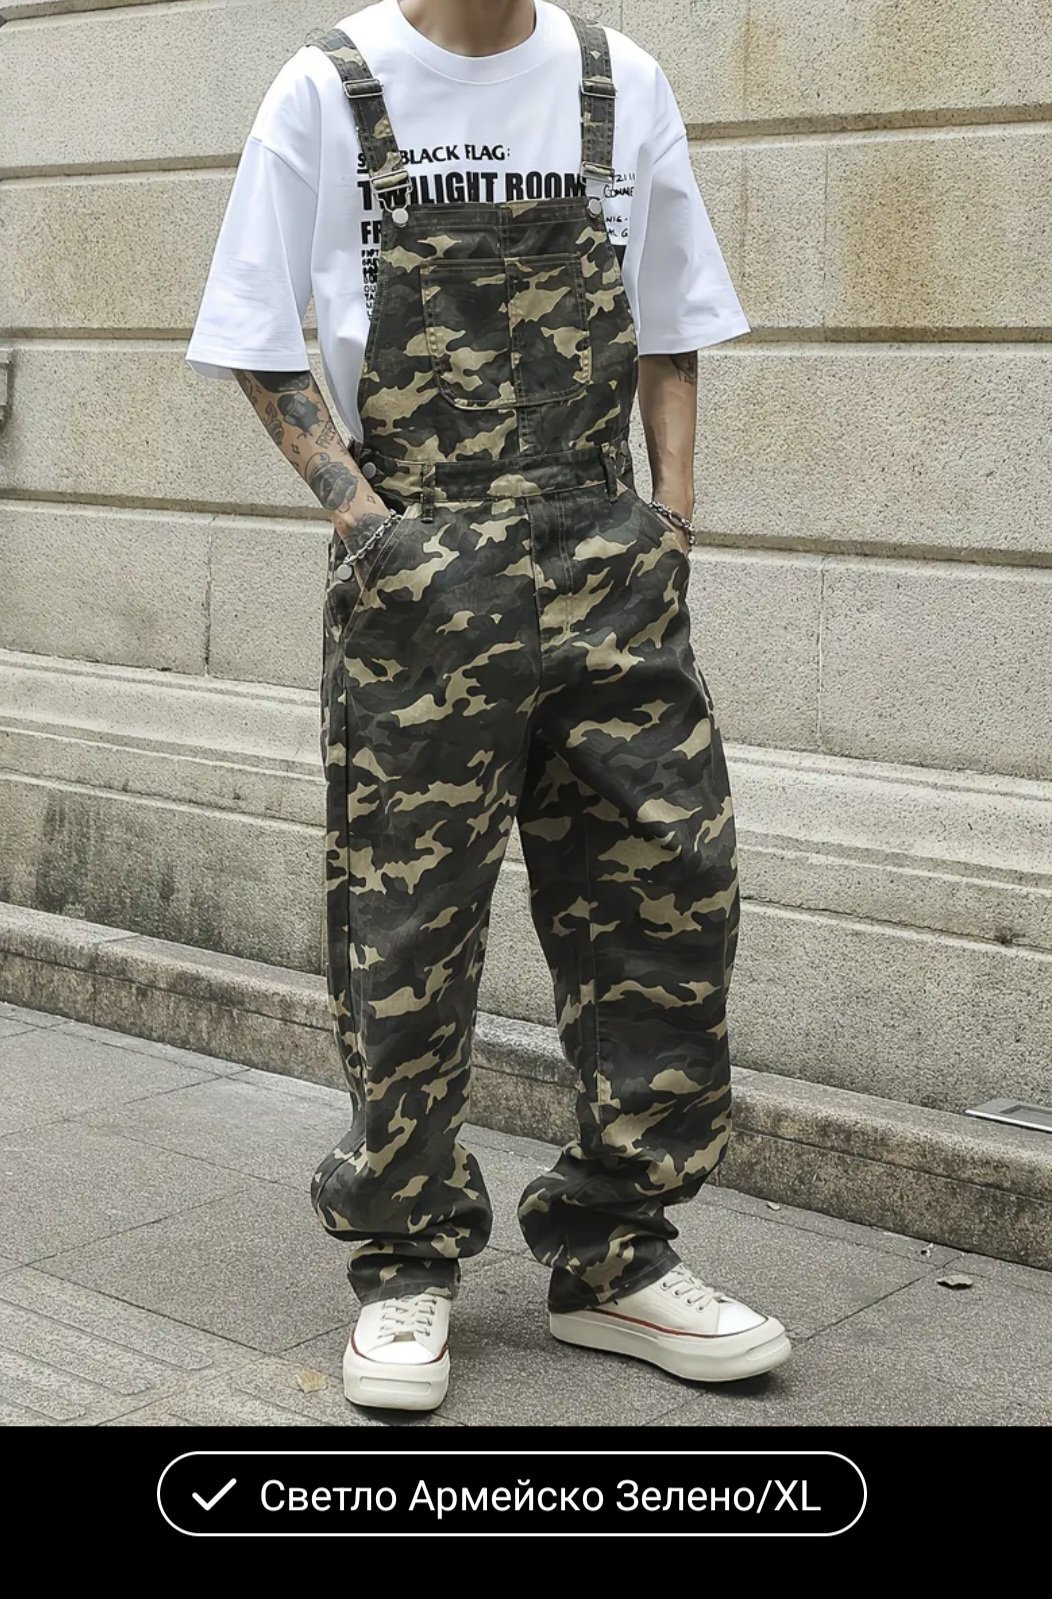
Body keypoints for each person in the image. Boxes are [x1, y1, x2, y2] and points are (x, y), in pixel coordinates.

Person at [187, 0, 790, 1413]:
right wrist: (369, 530)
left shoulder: (616, 80)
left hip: (608, 566)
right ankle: (403, 1258)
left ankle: (616, 1252)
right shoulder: (329, 88)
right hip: (423, 581)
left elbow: (672, 330)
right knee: (405, 926)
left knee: (669, 896)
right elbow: (257, 337)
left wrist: (671, 527)